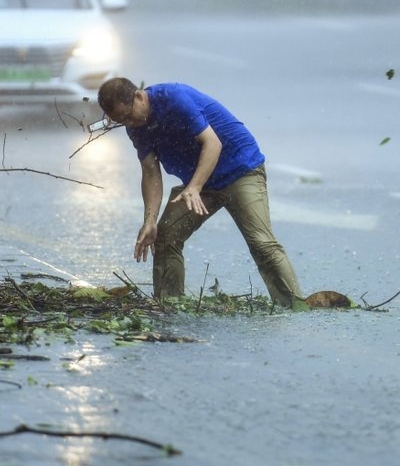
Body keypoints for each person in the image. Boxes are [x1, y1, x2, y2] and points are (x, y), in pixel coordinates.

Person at [97, 77, 302, 306]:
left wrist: (194, 187)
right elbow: (150, 172)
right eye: (121, 121)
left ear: (138, 96)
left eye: (128, 116)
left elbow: (212, 143)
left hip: (240, 170)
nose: (129, 124)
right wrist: (150, 220)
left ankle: (294, 304)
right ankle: (170, 305)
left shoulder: (174, 98)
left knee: (261, 243)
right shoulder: (136, 127)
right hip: (201, 183)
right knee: (164, 236)